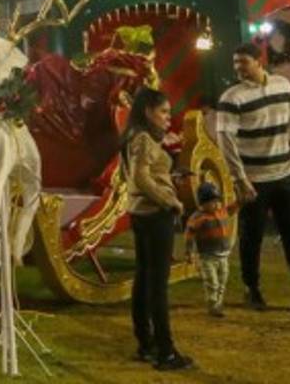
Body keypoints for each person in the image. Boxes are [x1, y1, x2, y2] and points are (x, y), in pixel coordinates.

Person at [215, 42, 290, 315]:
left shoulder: (282, 86)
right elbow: (226, 142)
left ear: (259, 61)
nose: (238, 67)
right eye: (235, 62)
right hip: (253, 180)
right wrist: (239, 179)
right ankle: (252, 289)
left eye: (243, 62)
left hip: (285, 174)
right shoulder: (231, 98)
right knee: (252, 236)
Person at [123, 87, 193, 371]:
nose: (168, 117)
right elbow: (141, 178)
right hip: (154, 214)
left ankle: (146, 343)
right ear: (148, 111)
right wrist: (170, 201)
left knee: (144, 279)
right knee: (157, 285)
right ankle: (166, 351)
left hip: (142, 213)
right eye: (163, 111)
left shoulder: (138, 136)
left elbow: (146, 174)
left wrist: (170, 178)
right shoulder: (142, 138)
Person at [183, 181, 239, 317]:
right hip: (207, 256)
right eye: (212, 202)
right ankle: (213, 303)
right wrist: (189, 252)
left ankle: (217, 304)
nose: (216, 204)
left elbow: (235, 206)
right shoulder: (198, 218)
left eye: (216, 201)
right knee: (212, 281)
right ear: (203, 203)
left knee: (222, 281)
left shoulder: (222, 212)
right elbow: (189, 234)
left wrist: (240, 194)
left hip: (223, 255)